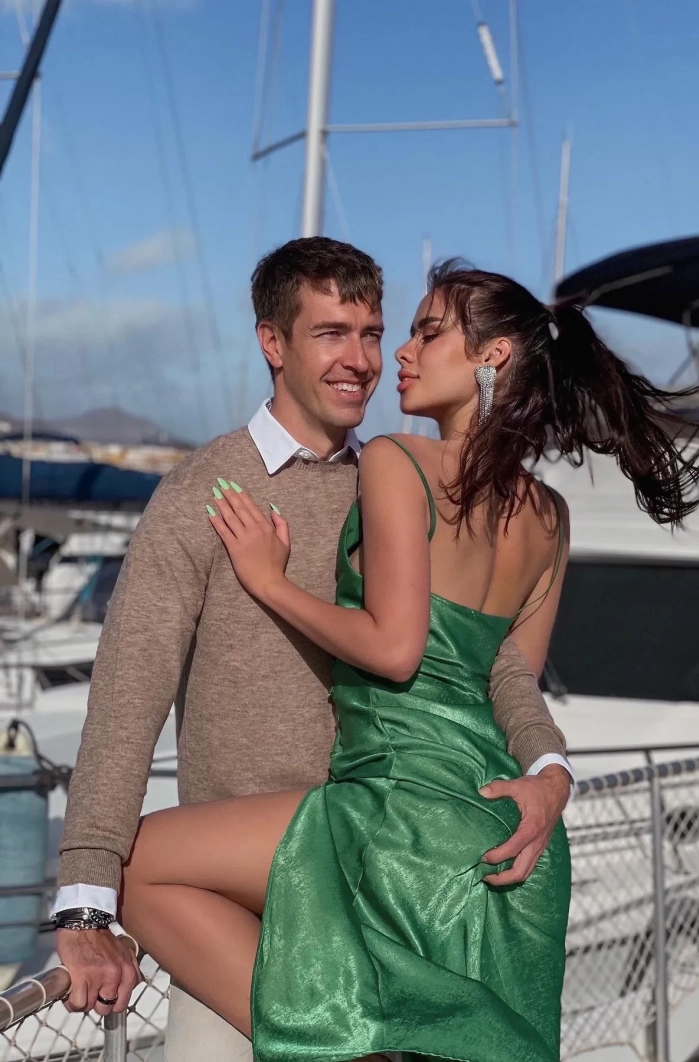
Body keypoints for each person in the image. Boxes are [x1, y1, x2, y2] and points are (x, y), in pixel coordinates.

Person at [117, 260, 699, 1062]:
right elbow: (511, 677)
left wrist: (270, 582)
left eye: (428, 333)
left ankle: (347, 1040)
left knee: (133, 866)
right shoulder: (551, 516)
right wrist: (552, 776)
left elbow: (396, 651)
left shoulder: (397, 461)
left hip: (400, 812)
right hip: (500, 822)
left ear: (493, 358)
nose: (400, 351)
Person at [52, 241, 575, 1062]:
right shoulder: (203, 494)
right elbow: (127, 699)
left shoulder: (398, 480)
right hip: (235, 909)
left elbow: (490, 662)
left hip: (381, 888)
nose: (362, 360)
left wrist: (550, 773)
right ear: (273, 343)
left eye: (373, 334)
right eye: (332, 334)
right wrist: (86, 905)